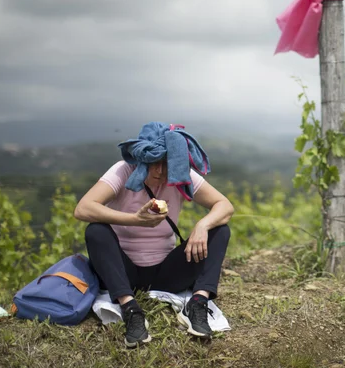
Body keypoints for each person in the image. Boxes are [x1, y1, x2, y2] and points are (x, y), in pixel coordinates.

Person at [74, 122, 233, 347]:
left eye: (165, 163)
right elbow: (83, 208)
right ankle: (130, 307)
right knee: (96, 230)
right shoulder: (123, 170)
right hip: (124, 271)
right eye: (153, 163)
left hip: (166, 273)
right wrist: (133, 220)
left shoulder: (180, 175)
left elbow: (224, 205)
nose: (159, 171)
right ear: (142, 159)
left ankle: (197, 304)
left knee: (220, 230)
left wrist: (202, 225)